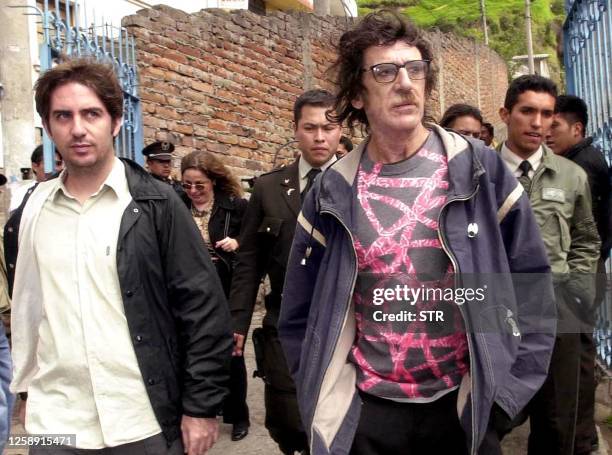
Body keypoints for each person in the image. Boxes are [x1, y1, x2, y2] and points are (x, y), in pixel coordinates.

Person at [278, 10, 556, 455]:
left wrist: (502, 402)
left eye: (415, 69)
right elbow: (298, 310)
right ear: (356, 95)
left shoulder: (481, 171)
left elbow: (533, 286)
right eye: (385, 71)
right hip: (366, 414)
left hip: (462, 409)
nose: (405, 83)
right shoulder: (334, 190)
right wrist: (323, 394)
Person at [5, 58, 232, 455]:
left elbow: (203, 308)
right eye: (63, 116)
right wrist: (24, 390)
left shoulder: (156, 204)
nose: (78, 128)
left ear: (114, 122)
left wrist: (201, 407)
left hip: (139, 418)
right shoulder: (32, 210)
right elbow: (28, 307)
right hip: (54, 420)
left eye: (91, 113)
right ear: (48, 125)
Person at [229, 89, 342, 455]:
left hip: (345, 324)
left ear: (340, 131)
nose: (320, 137)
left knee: (339, 420)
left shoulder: (360, 184)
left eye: (328, 127)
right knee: (288, 420)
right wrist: (237, 325)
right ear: (295, 129)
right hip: (285, 322)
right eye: (310, 128)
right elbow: (248, 263)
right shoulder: (267, 188)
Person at [498, 76, 600, 455]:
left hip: (557, 309)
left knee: (558, 419)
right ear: (506, 114)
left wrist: (576, 292)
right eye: (527, 111)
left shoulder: (572, 176)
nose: (537, 123)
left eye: (546, 114)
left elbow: (587, 239)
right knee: (490, 413)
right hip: (496, 307)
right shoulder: (481, 173)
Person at [545, 94, 611, 455]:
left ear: (577, 128)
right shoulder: (573, 160)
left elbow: (587, 234)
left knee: (578, 361)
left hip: (580, 273)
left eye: (554, 125)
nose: (547, 131)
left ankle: (581, 436)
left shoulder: (582, 165)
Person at [180, 150, 250, 442]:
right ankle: (196, 410)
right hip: (187, 290)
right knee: (189, 351)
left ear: (214, 181)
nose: (193, 191)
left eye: (200, 185)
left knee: (231, 353)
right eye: (187, 184)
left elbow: (253, 242)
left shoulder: (235, 207)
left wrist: (238, 242)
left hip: (224, 287)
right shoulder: (176, 205)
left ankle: (238, 415)